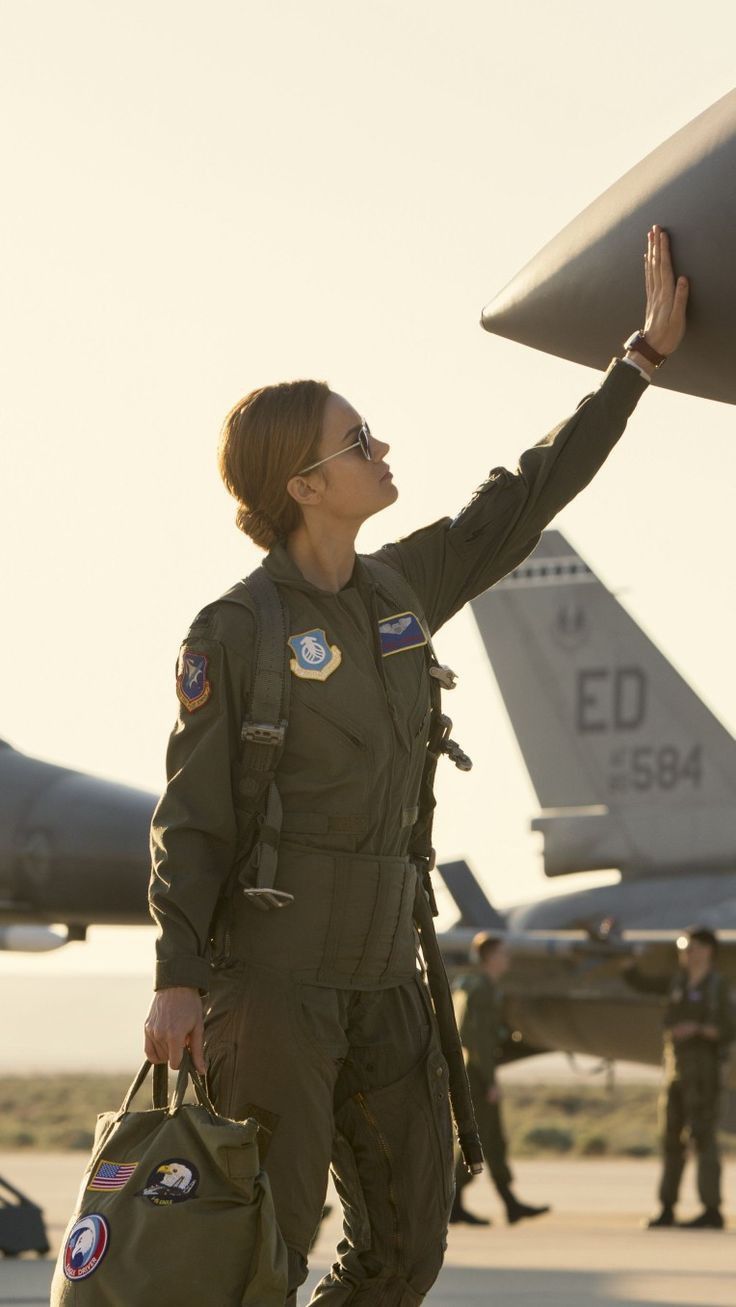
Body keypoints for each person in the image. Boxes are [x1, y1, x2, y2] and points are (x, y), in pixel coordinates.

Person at [144, 226, 688, 1305]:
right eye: (359, 442)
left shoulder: (400, 592)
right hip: (279, 977)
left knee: (404, 1247)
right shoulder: (235, 631)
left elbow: (523, 498)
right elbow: (192, 814)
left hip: (391, 971)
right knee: (264, 1246)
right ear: (304, 485)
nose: (382, 450)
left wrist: (637, 366)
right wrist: (174, 972)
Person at [623, 926, 734, 1230]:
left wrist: (699, 1030)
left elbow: (728, 1027)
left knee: (703, 1139)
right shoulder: (678, 981)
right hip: (676, 1071)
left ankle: (711, 1210)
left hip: (704, 1073)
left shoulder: (717, 986)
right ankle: (667, 1207)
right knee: (671, 1139)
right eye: (684, 948)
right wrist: (627, 962)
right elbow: (642, 984)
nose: (686, 954)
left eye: (692, 948)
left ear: (708, 950)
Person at [449, 933, 549, 1226]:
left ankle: (507, 1203)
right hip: (477, 1076)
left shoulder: (483, 987)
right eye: (503, 954)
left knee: (488, 1140)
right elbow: (474, 1038)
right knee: (478, 1139)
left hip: (477, 1073)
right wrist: (489, 1079)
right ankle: (457, 1203)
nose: (507, 959)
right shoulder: (479, 989)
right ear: (490, 957)